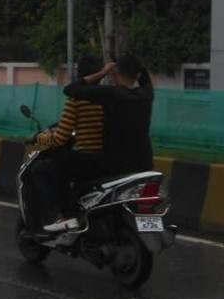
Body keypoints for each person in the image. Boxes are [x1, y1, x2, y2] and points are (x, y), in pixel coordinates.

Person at [30, 54, 107, 232]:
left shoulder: (77, 99)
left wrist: (40, 138)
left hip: (87, 159)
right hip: (108, 160)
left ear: (80, 75)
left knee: (42, 169)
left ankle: (60, 216)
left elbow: (61, 138)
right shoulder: (109, 96)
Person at [63, 53, 154, 179]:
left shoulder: (110, 94)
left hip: (115, 166)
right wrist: (135, 66)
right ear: (137, 75)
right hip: (145, 164)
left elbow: (70, 89)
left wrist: (102, 73)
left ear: (115, 72)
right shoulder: (146, 95)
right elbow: (144, 78)